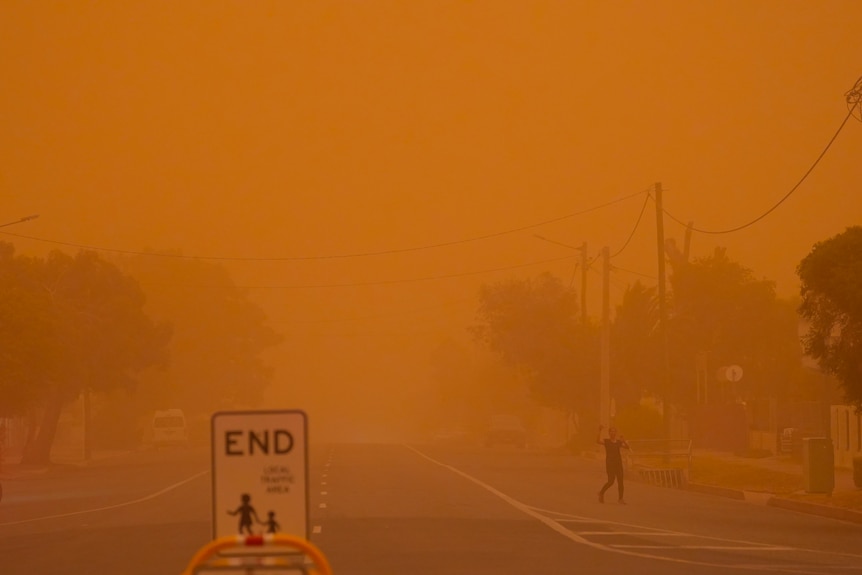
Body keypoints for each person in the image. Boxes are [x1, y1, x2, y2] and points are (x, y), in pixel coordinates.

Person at [596, 424, 630, 504]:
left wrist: (623, 440)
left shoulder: (618, 442)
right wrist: (599, 431)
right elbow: (597, 441)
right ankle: (601, 492)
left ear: (616, 433)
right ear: (609, 433)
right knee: (611, 481)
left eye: (614, 432)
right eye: (611, 432)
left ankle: (620, 499)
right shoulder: (607, 441)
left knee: (620, 481)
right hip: (610, 464)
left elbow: (627, 447)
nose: (613, 433)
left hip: (618, 463)